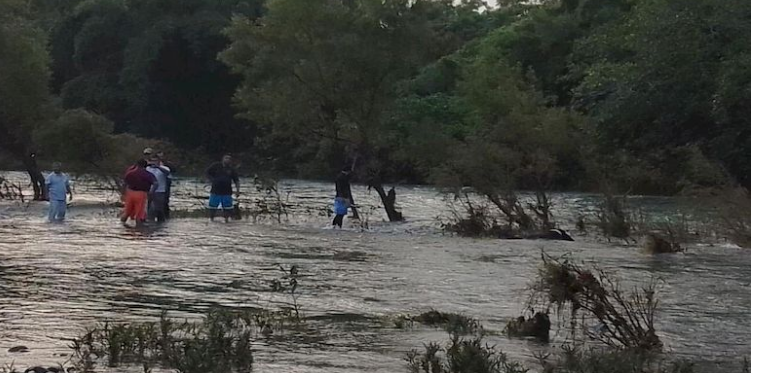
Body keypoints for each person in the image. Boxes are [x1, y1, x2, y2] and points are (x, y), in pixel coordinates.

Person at [121, 159, 157, 227]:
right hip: (141, 194)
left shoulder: (130, 173)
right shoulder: (147, 174)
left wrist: (123, 194)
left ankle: (122, 228)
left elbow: (124, 183)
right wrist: (151, 192)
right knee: (140, 215)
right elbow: (155, 183)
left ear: (137, 165)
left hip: (130, 193)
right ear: (146, 166)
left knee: (126, 213)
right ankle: (139, 231)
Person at [205, 154, 240, 222]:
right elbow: (207, 172)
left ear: (231, 161)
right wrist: (211, 179)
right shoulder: (216, 166)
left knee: (227, 208)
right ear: (222, 159)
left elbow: (236, 181)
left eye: (229, 159)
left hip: (227, 192)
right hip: (215, 191)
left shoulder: (232, 169)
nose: (227, 160)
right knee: (212, 207)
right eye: (226, 158)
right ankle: (211, 219)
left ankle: (226, 220)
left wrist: (238, 190)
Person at [146, 157, 171, 222]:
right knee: (149, 208)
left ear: (159, 161)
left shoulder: (164, 168)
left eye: (155, 161)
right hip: (149, 191)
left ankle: (161, 222)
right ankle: (150, 222)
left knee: (159, 209)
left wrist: (158, 167)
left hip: (160, 191)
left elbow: (167, 173)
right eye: (152, 161)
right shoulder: (147, 168)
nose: (153, 162)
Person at [156, 151, 174, 219]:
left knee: (165, 200)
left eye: (161, 156)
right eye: (159, 156)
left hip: (167, 181)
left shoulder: (167, 164)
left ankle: (166, 215)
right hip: (158, 182)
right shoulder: (153, 164)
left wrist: (165, 164)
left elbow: (173, 170)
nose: (160, 157)